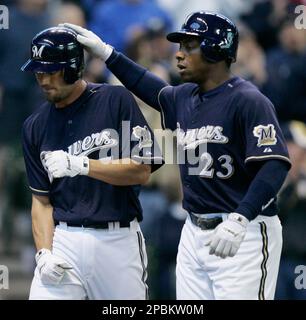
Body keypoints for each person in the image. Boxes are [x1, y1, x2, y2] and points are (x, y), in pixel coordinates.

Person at [63, 11, 292, 300]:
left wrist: (241, 218)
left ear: (216, 48)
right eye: (180, 46)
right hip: (194, 231)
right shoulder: (184, 97)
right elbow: (149, 87)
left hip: (242, 233)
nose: (179, 54)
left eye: (189, 46)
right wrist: (108, 53)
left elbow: (274, 166)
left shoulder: (248, 100)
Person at [21, 26, 163, 300]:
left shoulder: (115, 99)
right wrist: (44, 253)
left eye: (51, 71)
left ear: (74, 68)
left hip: (117, 240)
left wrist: (82, 166)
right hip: (64, 241)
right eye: (38, 72)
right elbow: (41, 202)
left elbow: (142, 170)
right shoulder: (34, 125)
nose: (43, 80)